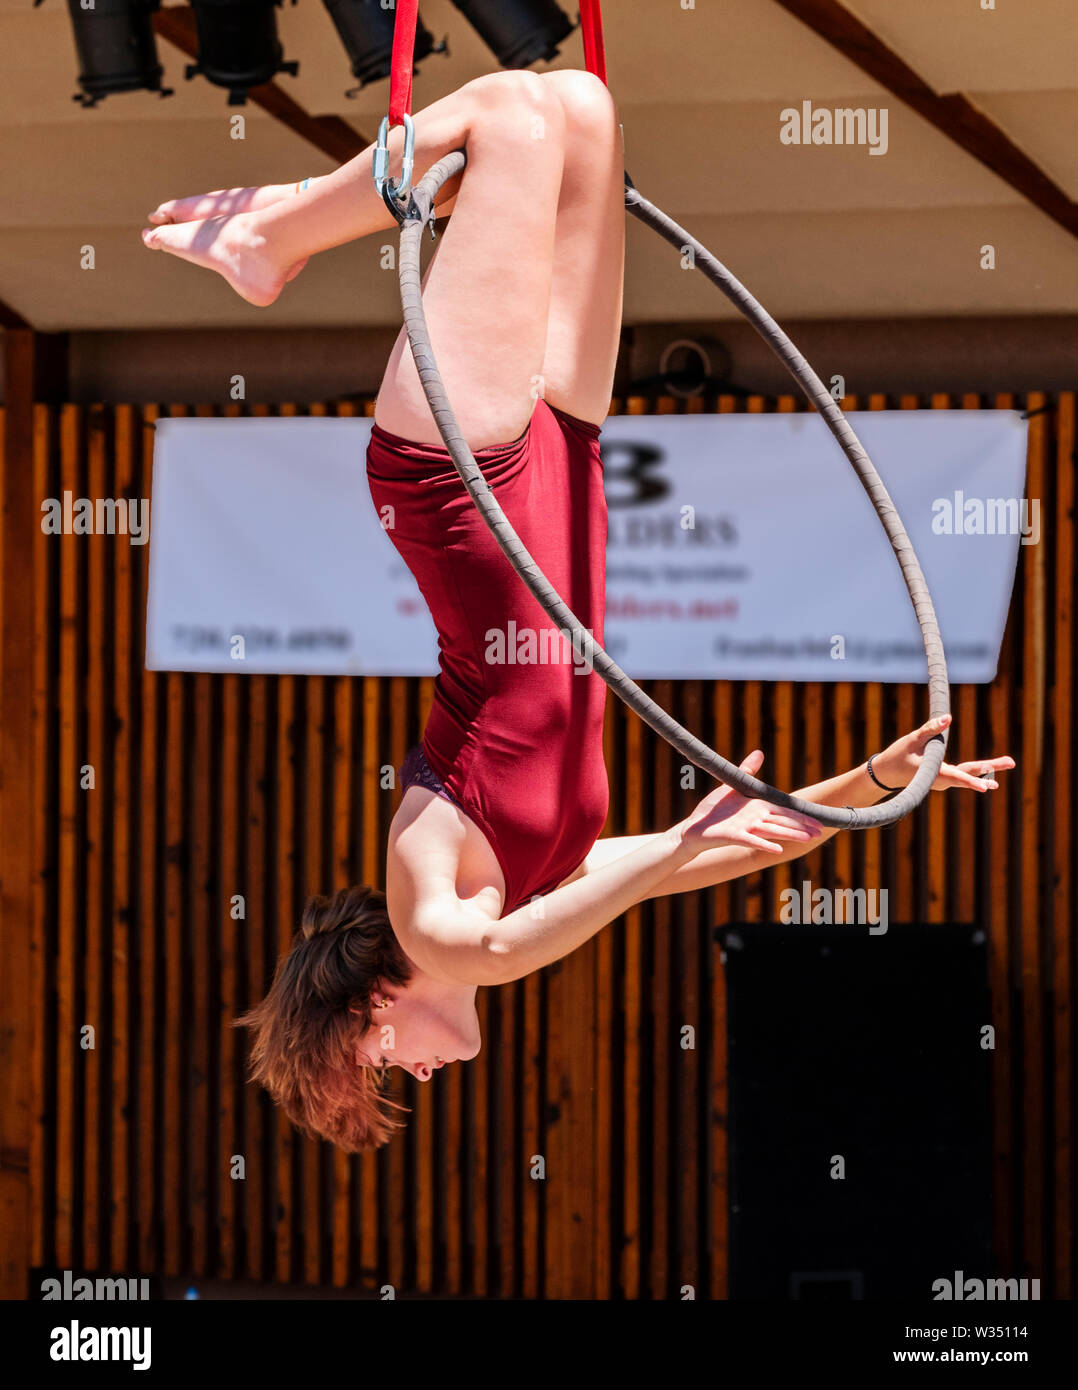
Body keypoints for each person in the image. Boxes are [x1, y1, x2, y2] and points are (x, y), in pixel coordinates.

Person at [142, 69, 1015, 1151]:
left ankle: (274, 238)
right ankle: (308, 217)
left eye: (387, 1067)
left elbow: (510, 953)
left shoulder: (443, 926)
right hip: (559, 467)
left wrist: (670, 848)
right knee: (582, 111)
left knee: (509, 119)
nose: (421, 1071)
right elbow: (745, 840)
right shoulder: (540, 875)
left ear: (370, 1013)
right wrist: (880, 783)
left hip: (458, 488)